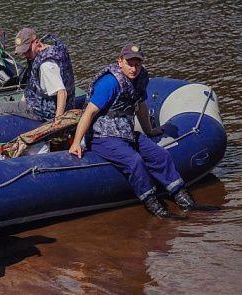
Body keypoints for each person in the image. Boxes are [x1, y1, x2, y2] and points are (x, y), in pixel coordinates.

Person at [68, 44, 216, 218]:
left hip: (126, 132)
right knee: (134, 161)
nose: (134, 68)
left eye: (137, 64)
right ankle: (155, 206)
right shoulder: (109, 82)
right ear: (120, 61)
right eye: (130, 63)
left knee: (160, 155)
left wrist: (150, 130)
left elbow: (140, 106)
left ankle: (184, 199)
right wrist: (77, 142)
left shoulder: (141, 77)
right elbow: (89, 112)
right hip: (102, 136)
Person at [0, 27, 76, 121]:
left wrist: (58, 121)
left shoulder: (46, 66)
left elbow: (62, 93)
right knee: (19, 102)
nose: (25, 54)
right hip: (47, 102)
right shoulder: (52, 50)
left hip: (45, 110)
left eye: (27, 50)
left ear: (37, 42)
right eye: (23, 52)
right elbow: (32, 82)